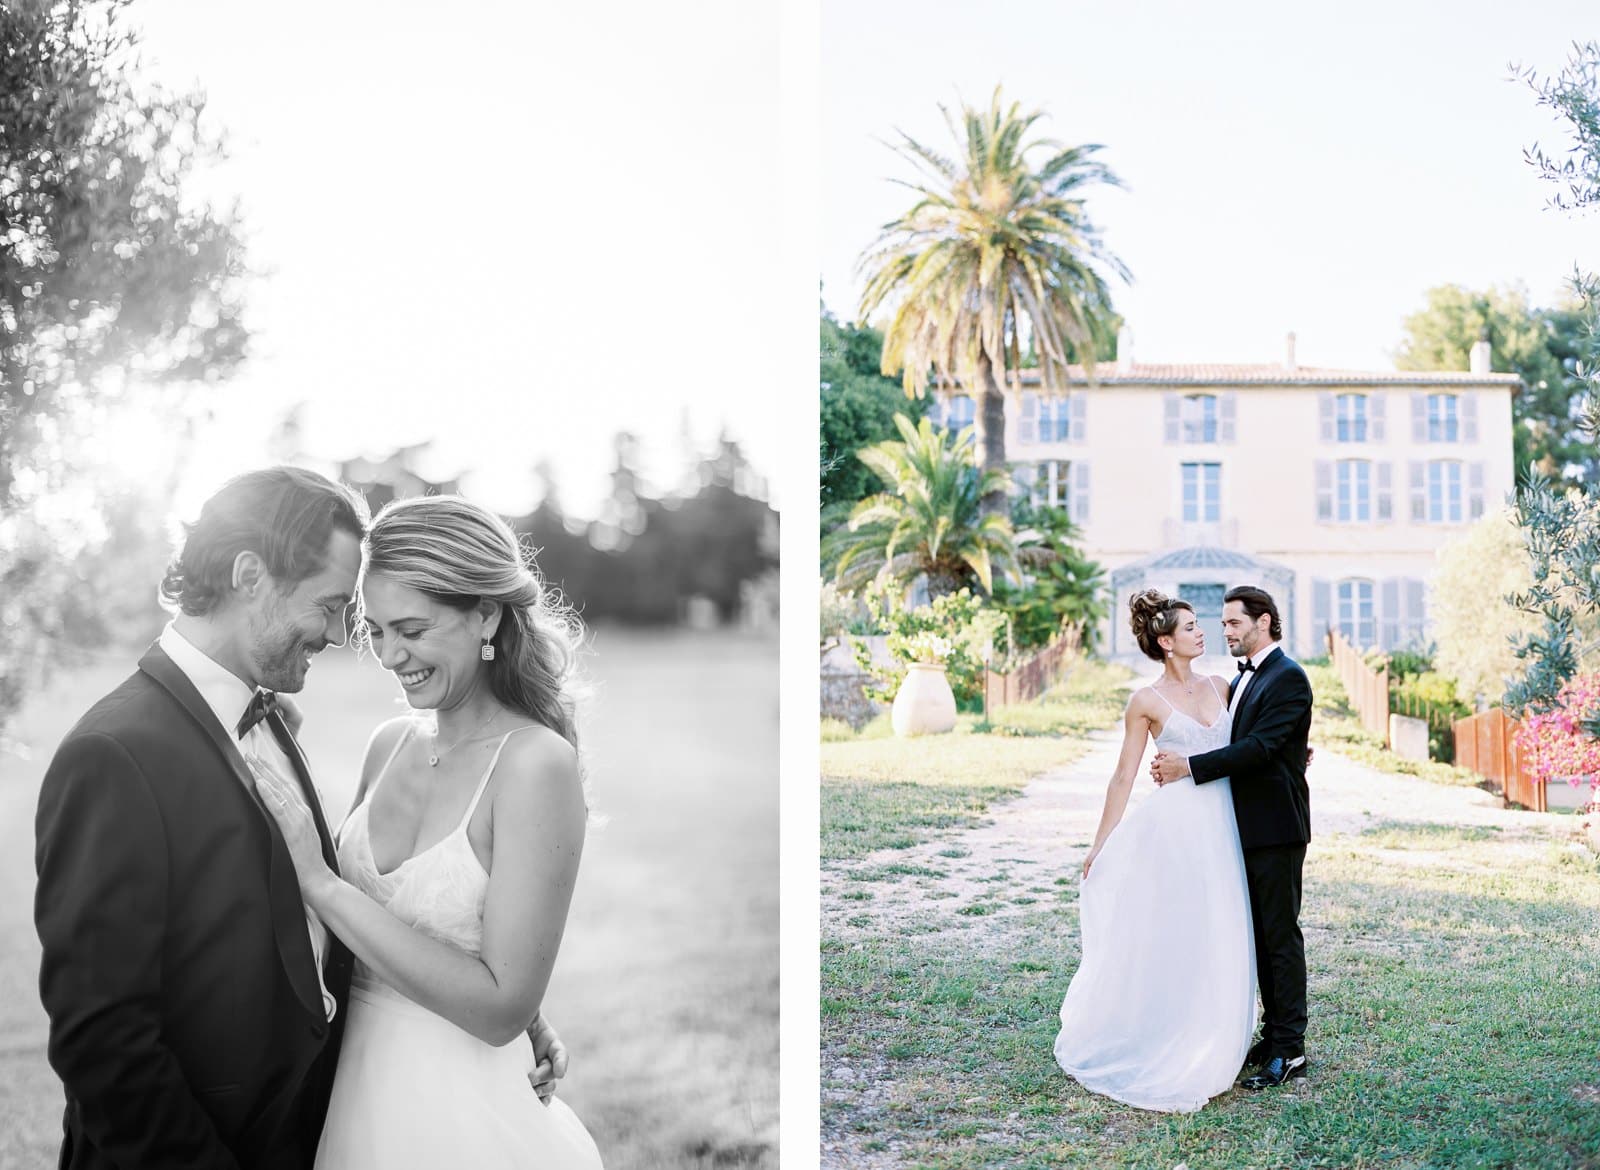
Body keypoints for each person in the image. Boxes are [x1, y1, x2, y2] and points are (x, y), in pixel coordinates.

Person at [33, 467, 567, 1170]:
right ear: (251, 575)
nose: (346, 640)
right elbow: (103, 1041)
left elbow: (322, 926)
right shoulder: (114, 752)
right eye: (336, 608)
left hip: (354, 1123)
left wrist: (503, 996)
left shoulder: (268, 717)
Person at [252, 493, 603, 1169]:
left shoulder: (535, 766)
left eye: (411, 629)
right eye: (375, 630)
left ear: (486, 614)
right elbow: (363, 942)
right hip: (339, 1095)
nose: (389, 655)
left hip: (457, 1116)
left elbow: (498, 1004)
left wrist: (322, 885)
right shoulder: (389, 745)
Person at [1054, 589, 1256, 1112]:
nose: (1200, 631)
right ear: (1166, 642)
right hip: (1179, 830)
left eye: (1198, 624)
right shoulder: (1145, 702)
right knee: (1183, 927)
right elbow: (1123, 775)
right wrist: (1102, 843)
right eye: (1188, 627)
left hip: (1227, 825)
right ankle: (1173, 1031)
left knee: (1226, 925)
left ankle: (1220, 1032)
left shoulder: (1223, 685)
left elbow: (1251, 743)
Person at [1151, 584, 1314, 1090]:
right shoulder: (1245, 679)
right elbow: (1246, 740)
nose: (1225, 631)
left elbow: (1262, 747)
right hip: (1241, 825)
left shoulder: (1288, 677)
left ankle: (1290, 1050)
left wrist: (1188, 767)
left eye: (1233, 623)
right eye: (1220, 624)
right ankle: (1271, 1035)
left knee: (1280, 936)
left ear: (1263, 621)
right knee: (1260, 938)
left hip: (1275, 826)